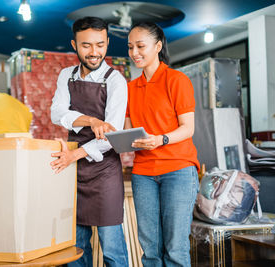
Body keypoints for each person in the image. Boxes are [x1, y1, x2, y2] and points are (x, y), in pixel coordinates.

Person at [50, 16, 129, 267]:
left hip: (104, 168)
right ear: (74, 44)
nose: (94, 52)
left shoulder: (115, 81)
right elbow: (56, 113)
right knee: (75, 247)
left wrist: (75, 154)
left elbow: (111, 137)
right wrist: (91, 120)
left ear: (107, 43)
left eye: (100, 44)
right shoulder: (67, 75)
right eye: (86, 45)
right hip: (73, 170)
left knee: (112, 249)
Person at [125, 22, 200, 267]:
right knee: (150, 250)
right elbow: (127, 129)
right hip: (143, 173)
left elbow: (188, 129)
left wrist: (161, 139)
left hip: (178, 169)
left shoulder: (176, 80)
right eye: (130, 47)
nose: (134, 52)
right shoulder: (129, 89)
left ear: (158, 46)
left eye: (140, 46)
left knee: (175, 248)